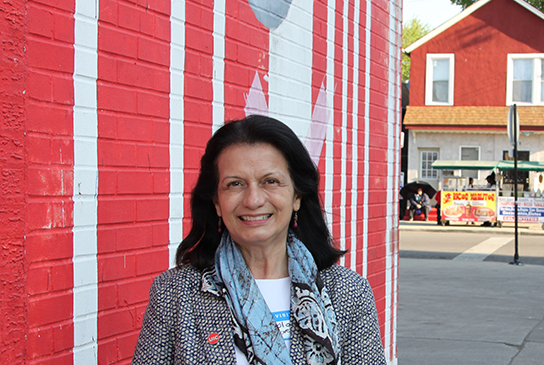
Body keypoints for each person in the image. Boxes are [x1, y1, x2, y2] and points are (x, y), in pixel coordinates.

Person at [132, 115, 386, 364]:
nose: (253, 200)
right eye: (235, 184)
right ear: (216, 203)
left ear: (297, 196)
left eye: (271, 181)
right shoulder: (174, 293)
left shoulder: (349, 292)